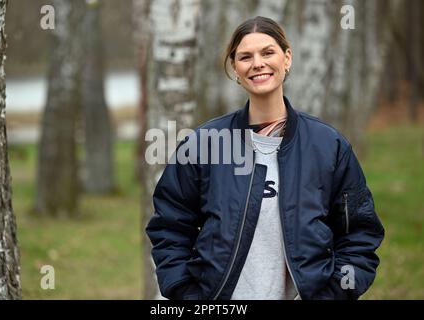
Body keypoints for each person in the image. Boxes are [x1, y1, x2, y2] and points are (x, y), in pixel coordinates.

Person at [146, 16, 384, 300]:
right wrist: (187, 293)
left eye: (268, 52)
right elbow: (170, 227)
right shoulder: (204, 144)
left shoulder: (328, 146)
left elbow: (359, 234)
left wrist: (331, 295)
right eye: (245, 56)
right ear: (235, 68)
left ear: (287, 58)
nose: (257, 63)